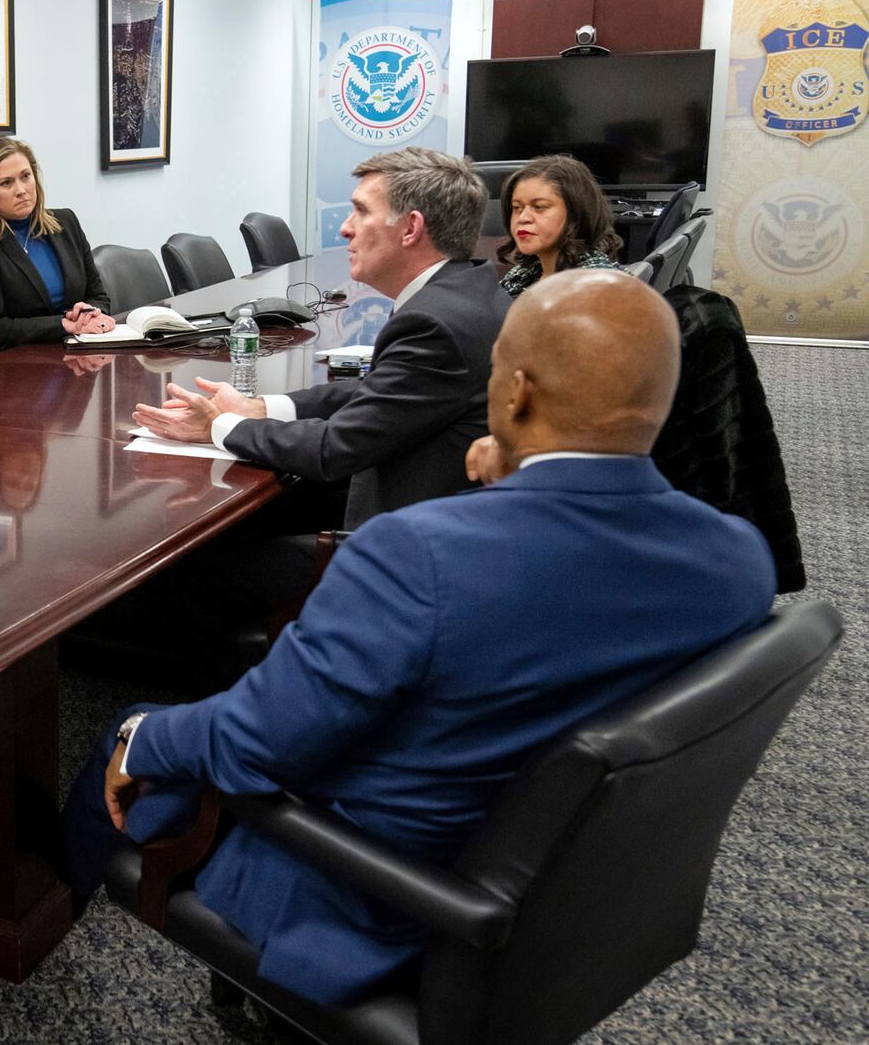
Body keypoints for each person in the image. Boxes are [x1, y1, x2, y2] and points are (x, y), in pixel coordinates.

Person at [59, 268, 777, 1008]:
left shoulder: (418, 555)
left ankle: (43, 916)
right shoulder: (738, 559)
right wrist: (516, 473)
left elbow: (250, 742)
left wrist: (146, 734)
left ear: (517, 393)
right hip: (576, 889)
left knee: (135, 729)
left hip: (381, 895)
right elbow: (561, 605)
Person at [134, 147, 509, 530]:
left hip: (403, 545)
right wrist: (260, 407)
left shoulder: (436, 323)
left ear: (410, 229)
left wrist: (217, 426)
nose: (346, 227)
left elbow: (335, 448)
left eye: (362, 211)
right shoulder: (465, 291)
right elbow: (378, 392)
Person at [0, 138, 114, 353]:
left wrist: (89, 312)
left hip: (78, 356)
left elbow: (98, 295)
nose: (21, 190)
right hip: (15, 368)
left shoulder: (66, 223)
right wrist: (63, 325)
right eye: (6, 183)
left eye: (25, 177)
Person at [496, 154, 622, 298]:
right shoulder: (524, 274)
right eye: (517, 207)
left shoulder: (594, 288)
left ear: (576, 213)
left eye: (539, 207)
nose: (523, 218)